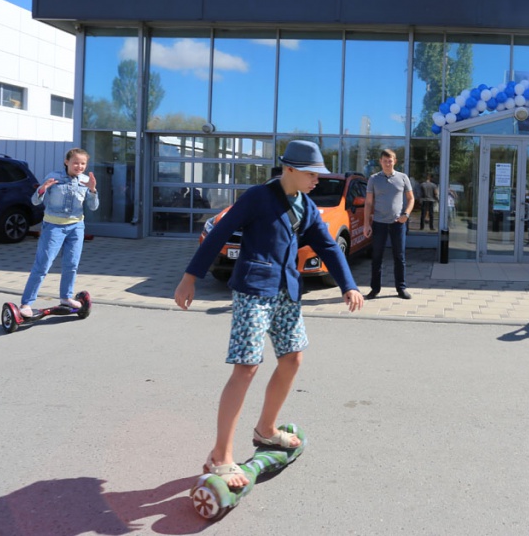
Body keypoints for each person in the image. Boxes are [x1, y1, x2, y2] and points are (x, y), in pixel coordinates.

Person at [174, 140, 364, 489]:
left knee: (292, 358)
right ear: (289, 169)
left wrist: (347, 285)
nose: (317, 180)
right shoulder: (257, 197)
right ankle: (220, 454)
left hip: (288, 291)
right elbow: (218, 234)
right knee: (246, 368)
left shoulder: (305, 205)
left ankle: (266, 429)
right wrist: (190, 278)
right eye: (311, 174)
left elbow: (327, 246)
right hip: (253, 291)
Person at [19, 148, 99, 317]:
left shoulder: (85, 180)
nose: (79, 166)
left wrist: (92, 190)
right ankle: (26, 304)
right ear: (66, 161)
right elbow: (35, 201)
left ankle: (66, 297)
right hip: (53, 227)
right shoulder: (53, 177)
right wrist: (42, 189)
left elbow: (93, 207)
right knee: (43, 265)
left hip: (76, 227)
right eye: (75, 162)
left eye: (83, 163)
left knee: (71, 265)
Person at [364, 148, 414, 300]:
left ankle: (401, 288)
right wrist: (366, 224)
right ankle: (374, 289)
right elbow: (368, 202)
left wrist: (406, 214)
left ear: (395, 161)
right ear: (380, 162)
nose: (387, 163)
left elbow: (411, 198)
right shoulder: (373, 179)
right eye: (385, 161)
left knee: (399, 257)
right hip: (379, 223)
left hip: (397, 224)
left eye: (390, 161)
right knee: (377, 257)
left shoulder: (403, 178)